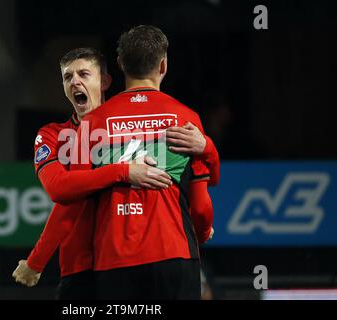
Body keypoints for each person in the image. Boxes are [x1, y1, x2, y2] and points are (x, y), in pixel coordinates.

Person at [13, 47, 219, 299]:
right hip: (79, 269)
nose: (75, 81)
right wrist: (123, 171)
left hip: (123, 261)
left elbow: (201, 178)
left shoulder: (131, 125)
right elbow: (61, 191)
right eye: (68, 77)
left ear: (105, 81)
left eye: (84, 74)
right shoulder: (52, 136)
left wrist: (207, 146)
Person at [70, 25, 215, 300]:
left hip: (113, 261)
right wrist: (203, 230)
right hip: (174, 254)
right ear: (163, 65)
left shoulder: (90, 124)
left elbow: (74, 193)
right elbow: (201, 205)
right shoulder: (186, 119)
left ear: (121, 64)